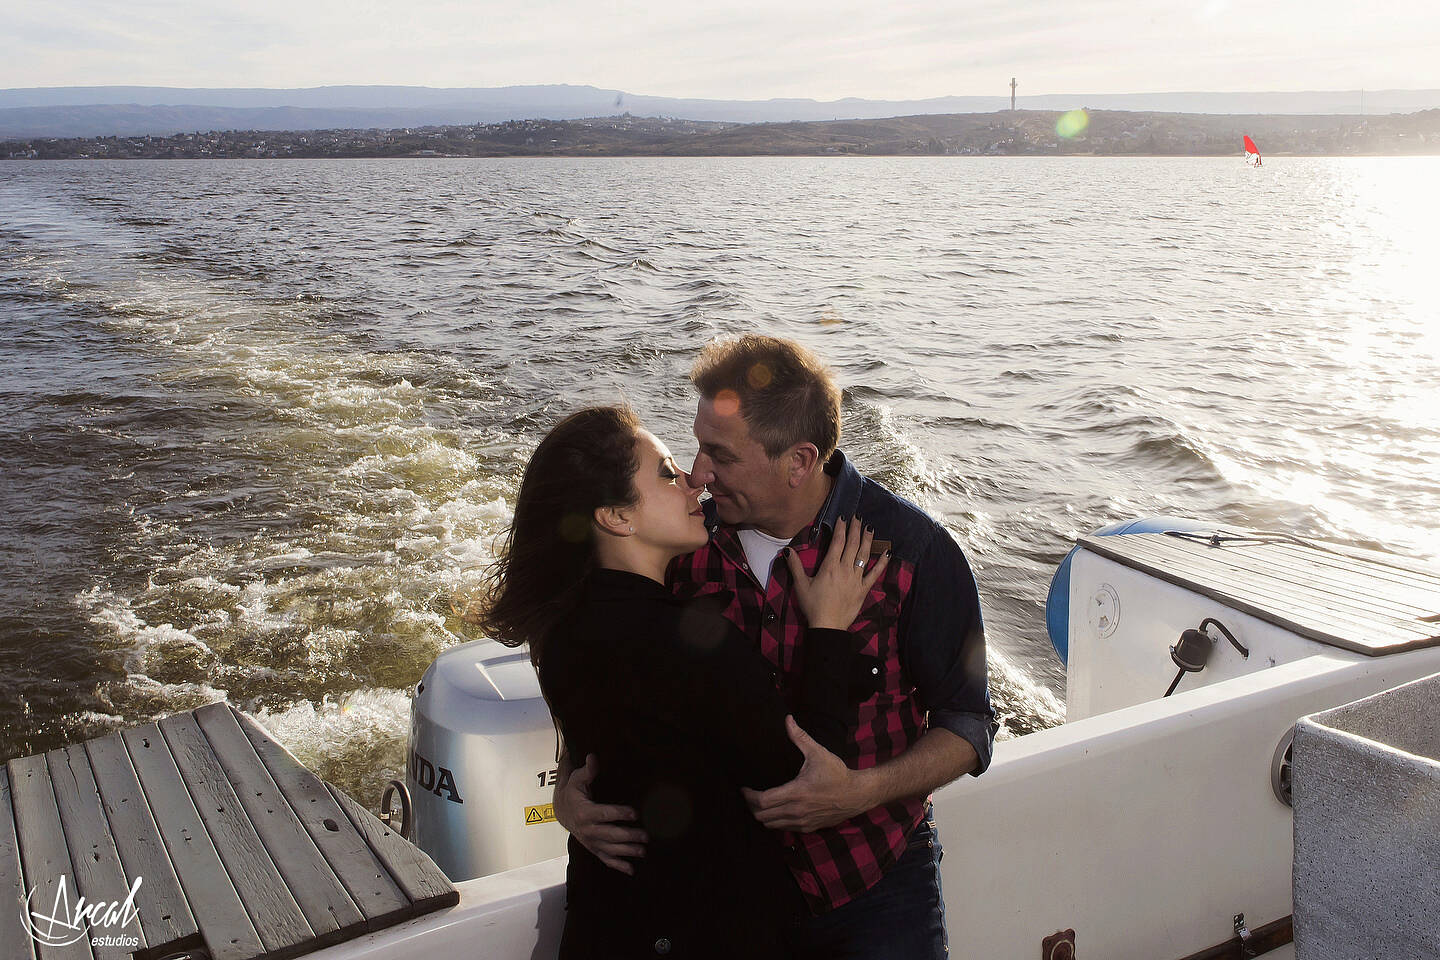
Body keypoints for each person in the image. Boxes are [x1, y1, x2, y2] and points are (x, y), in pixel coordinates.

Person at [557, 337, 995, 959]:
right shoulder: (681, 545)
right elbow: (604, 668)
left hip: (873, 886)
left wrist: (859, 792)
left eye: (720, 456)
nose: (698, 474)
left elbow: (969, 725)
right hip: (731, 897)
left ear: (799, 461)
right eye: (697, 446)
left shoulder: (912, 553)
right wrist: (569, 785)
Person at [474, 405, 891, 959]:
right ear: (617, 518)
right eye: (667, 474)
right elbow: (805, 781)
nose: (695, 480)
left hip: (603, 929)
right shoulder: (693, 644)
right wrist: (829, 629)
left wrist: (565, 796)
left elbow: (606, 749)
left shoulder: (558, 632)